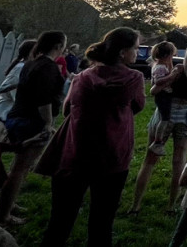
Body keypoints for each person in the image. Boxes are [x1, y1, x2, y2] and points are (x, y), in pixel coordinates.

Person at [39, 27, 145, 247]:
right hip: (113, 156)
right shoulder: (134, 78)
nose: (137, 53)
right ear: (123, 52)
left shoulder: (82, 77)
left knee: (60, 220)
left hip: (75, 153)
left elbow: (68, 108)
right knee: (102, 222)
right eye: (135, 48)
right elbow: (138, 106)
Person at [127, 39, 187, 215]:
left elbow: (156, 89)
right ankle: (172, 206)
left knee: (149, 160)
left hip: (166, 116)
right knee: (179, 162)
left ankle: (135, 206)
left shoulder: (178, 69)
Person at [0, 30, 67, 226]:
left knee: (18, 167)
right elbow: (43, 99)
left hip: (18, 116)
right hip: (32, 121)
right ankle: (4, 216)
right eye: (63, 45)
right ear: (57, 46)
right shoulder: (48, 67)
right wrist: (48, 123)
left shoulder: (30, 64)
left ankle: (10, 204)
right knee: (20, 168)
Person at [0, 39, 37, 122]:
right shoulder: (20, 68)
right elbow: (16, 95)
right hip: (6, 114)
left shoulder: (25, 67)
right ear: (29, 53)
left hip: (11, 114)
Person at [149, 42, 177, 156]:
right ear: (167, 55)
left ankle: (159, 138)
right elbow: (158, 82)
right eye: (172, 55)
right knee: (164, 118)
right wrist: (172, 76)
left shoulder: (160, 65)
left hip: (165, 95)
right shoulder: (160, 67)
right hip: (163, 96)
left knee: (165, 117)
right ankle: (157, 142)